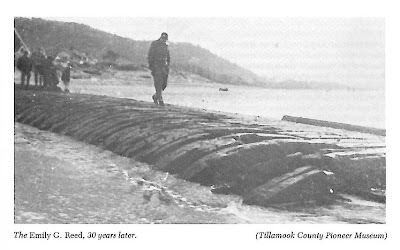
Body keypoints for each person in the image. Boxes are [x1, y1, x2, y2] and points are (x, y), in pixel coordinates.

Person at [148, 32, 170, 106]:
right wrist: (151, 67)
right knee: (158, 83)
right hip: (156, 66)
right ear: (160, 37)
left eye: (165, 39)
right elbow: (150, 56)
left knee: (164, 84)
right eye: (163, 38)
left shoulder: (166, 46)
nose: (164, 40)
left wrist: (168, 66)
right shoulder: (155, 44)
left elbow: (168, 57)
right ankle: (160, 99)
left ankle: (156, 96)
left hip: (164, 67)